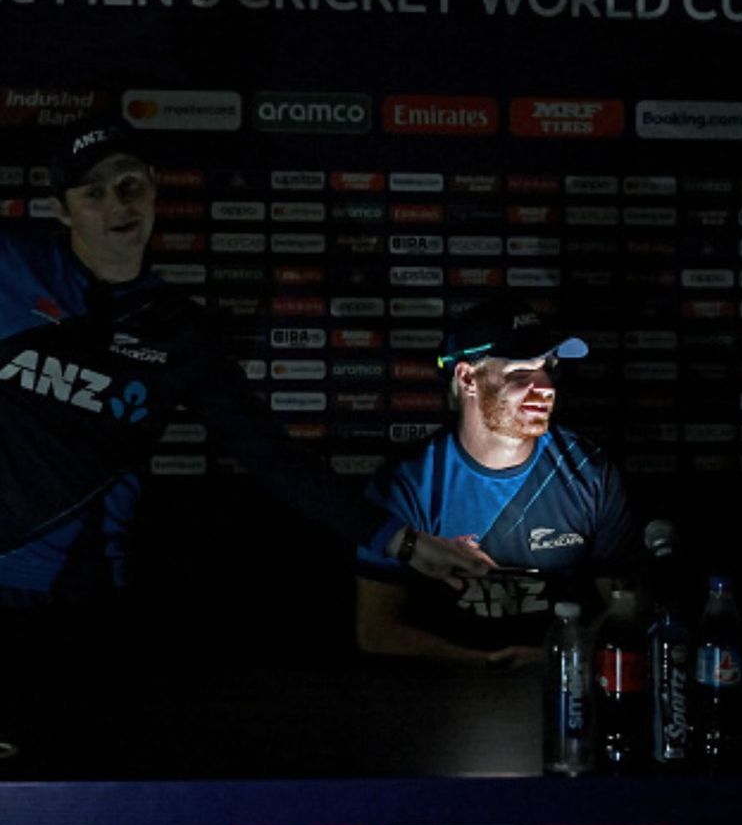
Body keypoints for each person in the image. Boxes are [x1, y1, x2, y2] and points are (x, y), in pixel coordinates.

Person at [0, 117, 494, 624]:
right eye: (93, 193)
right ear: (62, 210)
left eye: (129, 184)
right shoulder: (12, 266)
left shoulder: (181, 330)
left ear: (153, 184)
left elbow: (269, 455)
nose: (118, 205)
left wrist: (403, 541)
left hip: (87, 589)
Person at [355, 295, 638, 669]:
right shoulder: (407, 484)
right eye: (521, 373)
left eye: (549, 368)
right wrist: (483, 664)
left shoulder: (589, 472)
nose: (546, 386)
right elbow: (376, 630)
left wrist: (557, 659)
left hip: (560, 687)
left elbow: (628, 606)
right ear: (467, 378)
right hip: (443, 697)